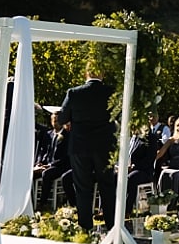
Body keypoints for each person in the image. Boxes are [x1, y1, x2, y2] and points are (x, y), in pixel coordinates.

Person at [58, 66, 117, 232]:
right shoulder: (111, 92)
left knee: (83, 187)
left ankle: (85, 226)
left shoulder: (74, 93)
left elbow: (62, 117)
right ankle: (111, 224)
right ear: (102, 74)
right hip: (104, 146)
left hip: (80, 146)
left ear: (86, 73)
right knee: (107, 185)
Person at [34, 109, 75, 208]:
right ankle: (29, 201)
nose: (54, 122)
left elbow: (66, 156)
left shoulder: (68, 135)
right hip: (46, 164)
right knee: (31, 173)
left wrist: (50, 165)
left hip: (60, 166)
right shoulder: (48, 134)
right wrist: (39, 163)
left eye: (57, 120)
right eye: (53, 120)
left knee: (46, 173)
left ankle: (43, 203)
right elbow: (42, 151)